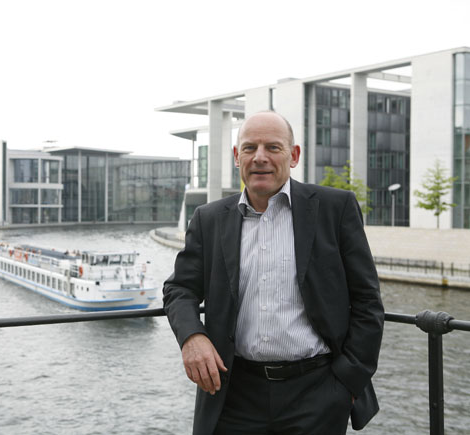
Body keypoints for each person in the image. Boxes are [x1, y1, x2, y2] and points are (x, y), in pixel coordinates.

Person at [163, 111, 384, 434]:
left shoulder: (335, 208)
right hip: (233, 394)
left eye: (273, 147)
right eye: (249, 148)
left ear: (293, 156)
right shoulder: (209, 219)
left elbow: (367, 300)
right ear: (237, 157)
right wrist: (192, 337)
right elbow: (179, 289)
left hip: (317, 394)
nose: (260, 157)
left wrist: (347, 382)